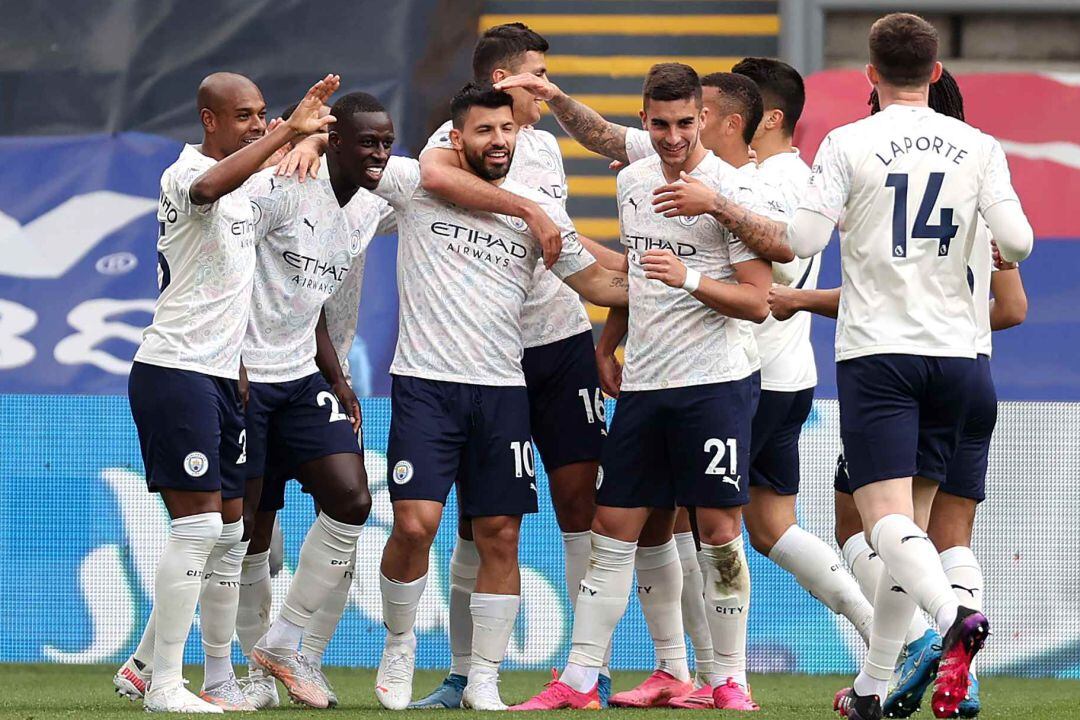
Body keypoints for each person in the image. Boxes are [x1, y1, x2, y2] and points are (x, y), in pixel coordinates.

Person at [784, 14, 1032, 720]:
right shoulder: (979, 147)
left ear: (870, 73)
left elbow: (801, 238)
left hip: (880, 353)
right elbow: (1017, 241)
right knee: (917, 530)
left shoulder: (847, 141)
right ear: (934, 71)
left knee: (880, 520)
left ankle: (954, 624)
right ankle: (870, 689)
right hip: (960, 356)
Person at [511, 63, 773, 712]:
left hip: (713, 382)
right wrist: (608, 340)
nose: (673, 136)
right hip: (645, 383)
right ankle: (577, 680)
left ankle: (730, 679)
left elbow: (758, 300)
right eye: (660, 124)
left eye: (686, 123)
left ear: (704, 118)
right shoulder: (633, 178)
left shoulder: (729, 191)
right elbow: (636, 273)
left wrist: (688, 279)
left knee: (716, 528)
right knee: (613, 526)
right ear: (646, 118)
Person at [370, 82, 629, 712]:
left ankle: (483, 676)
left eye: (506, 130)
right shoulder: (414, 182)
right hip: (425, 385)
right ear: (454, 139)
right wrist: (300, 142)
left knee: (499, 534)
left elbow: (596, 281)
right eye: (484, 132)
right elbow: (352, 160)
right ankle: (399, 644)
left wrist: (686, 290)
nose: (499, 141)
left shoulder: (539, 207)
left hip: (502, 389)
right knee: (415, 525)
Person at [114, 72, 338, 714]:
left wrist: (310, 138)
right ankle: (163, 685)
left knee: (225, 534)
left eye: (264, 114)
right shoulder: (185, 175)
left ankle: (164, 671)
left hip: (218, 374)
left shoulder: (248, 191)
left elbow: (278, 181)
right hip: (174, 368)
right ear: (209, 119)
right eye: (244, 116)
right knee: (199, 529)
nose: (258, 125)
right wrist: (285, 136)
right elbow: (214, 185)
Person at [225, 91, 401, 711]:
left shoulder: (369, 209)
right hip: (245, 377)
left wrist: (338, 378)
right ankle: (223, 669)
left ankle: (285, 640)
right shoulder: (284, 186)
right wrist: (235, 357)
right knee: (247, 529)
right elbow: (227, 265)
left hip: (302, 378)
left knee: (352, 499)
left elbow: (313, 305)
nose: (379, 153)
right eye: (368, 142)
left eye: (386, 142)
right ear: (334, 143)